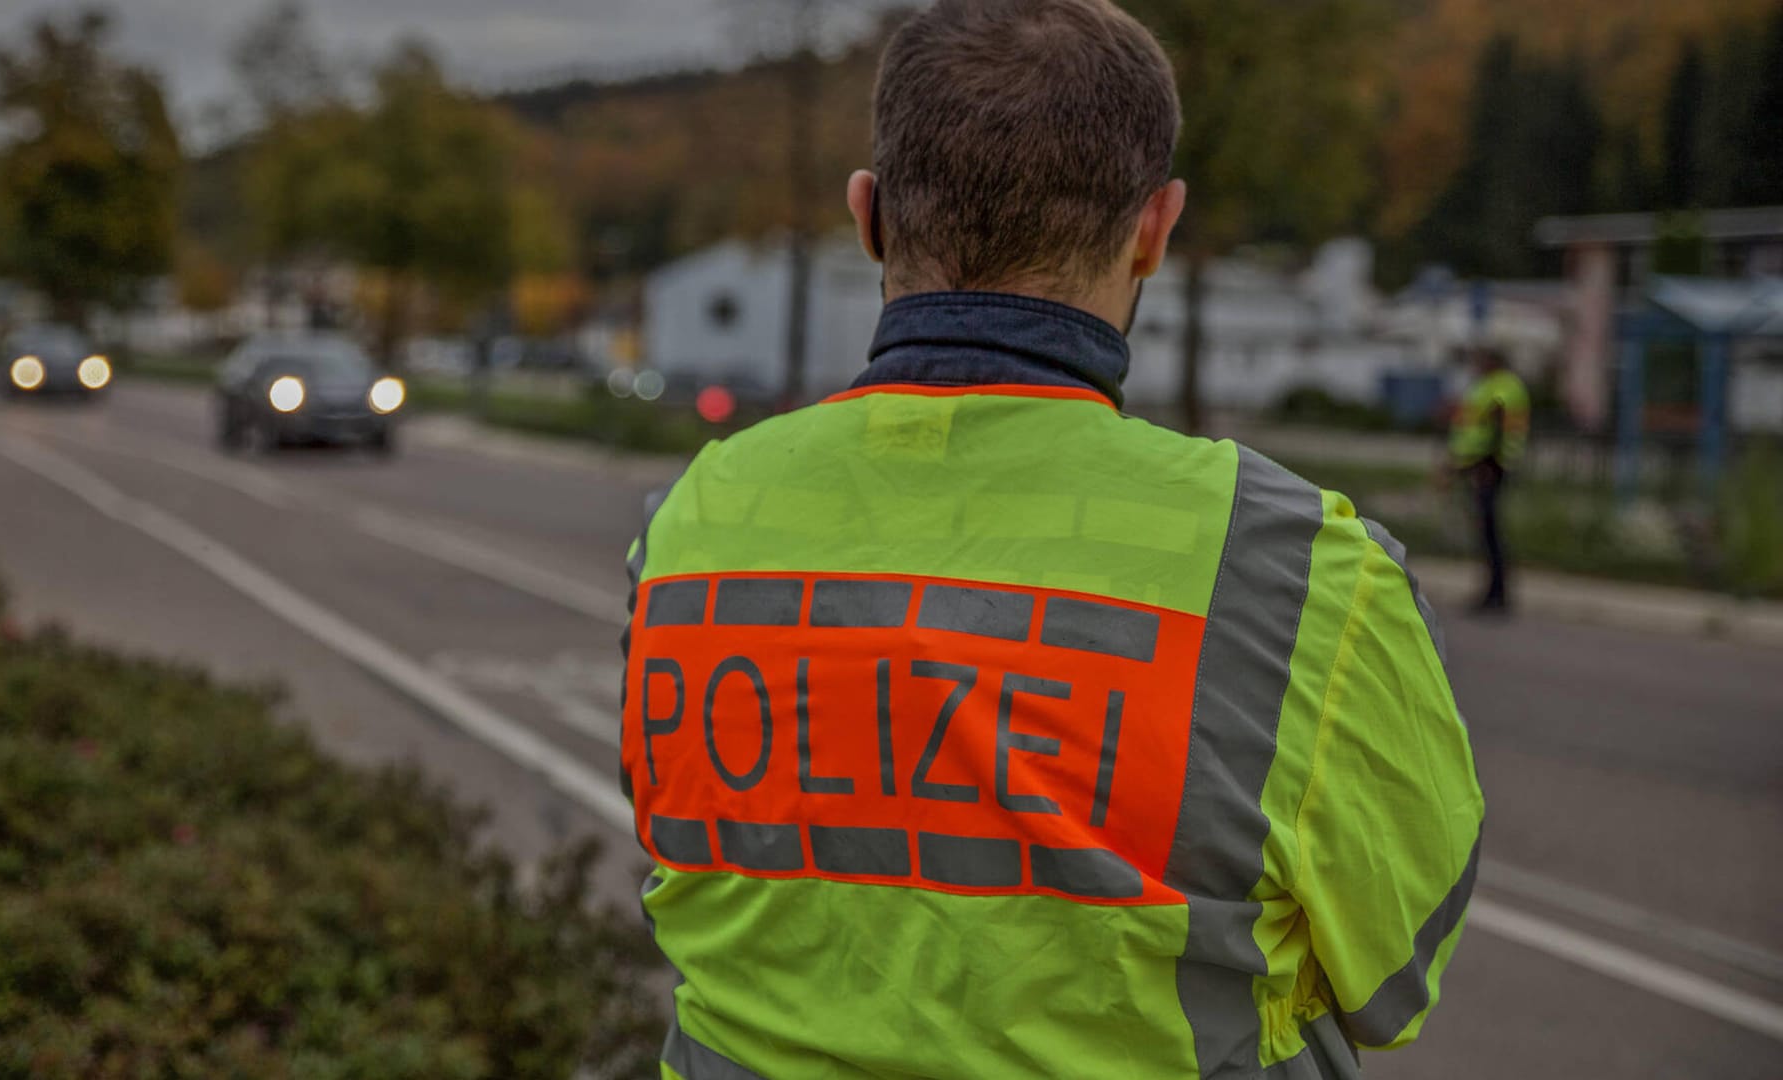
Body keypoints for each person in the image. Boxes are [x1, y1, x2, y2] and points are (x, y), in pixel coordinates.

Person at [621, 2, 1482, 1076]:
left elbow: (680, 890)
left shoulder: (693, 524)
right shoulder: (1304, 572)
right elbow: (1393, 982)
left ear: (869, 216)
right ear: (1155, 228)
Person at [1448, 347, 1530, 613]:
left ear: (1493, 361)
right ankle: (1493, 591)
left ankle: (1496, 594)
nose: (1476, 365)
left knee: (1490, 533)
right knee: (1486, 533)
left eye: (1481, 359)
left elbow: (1495, 429)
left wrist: (1486, 466)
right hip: (1483, 466)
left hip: (1490, 468)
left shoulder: (1502, 387)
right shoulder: (1488, 385)